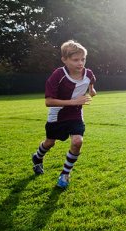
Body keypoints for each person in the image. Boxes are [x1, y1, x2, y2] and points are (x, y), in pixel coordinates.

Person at [31, 40, 96, 189]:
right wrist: (74, 101)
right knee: (50, 142)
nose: (80, 63)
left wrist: (92, 91)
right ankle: (37, 157)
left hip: (75, 114)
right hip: (57, 115)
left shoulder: (89, 73)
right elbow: (48, 102)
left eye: (83, 59)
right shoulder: (58, 75)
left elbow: (91, 86)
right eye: (75, 60)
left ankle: (65, 174)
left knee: (77, 141)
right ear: (64, 60)